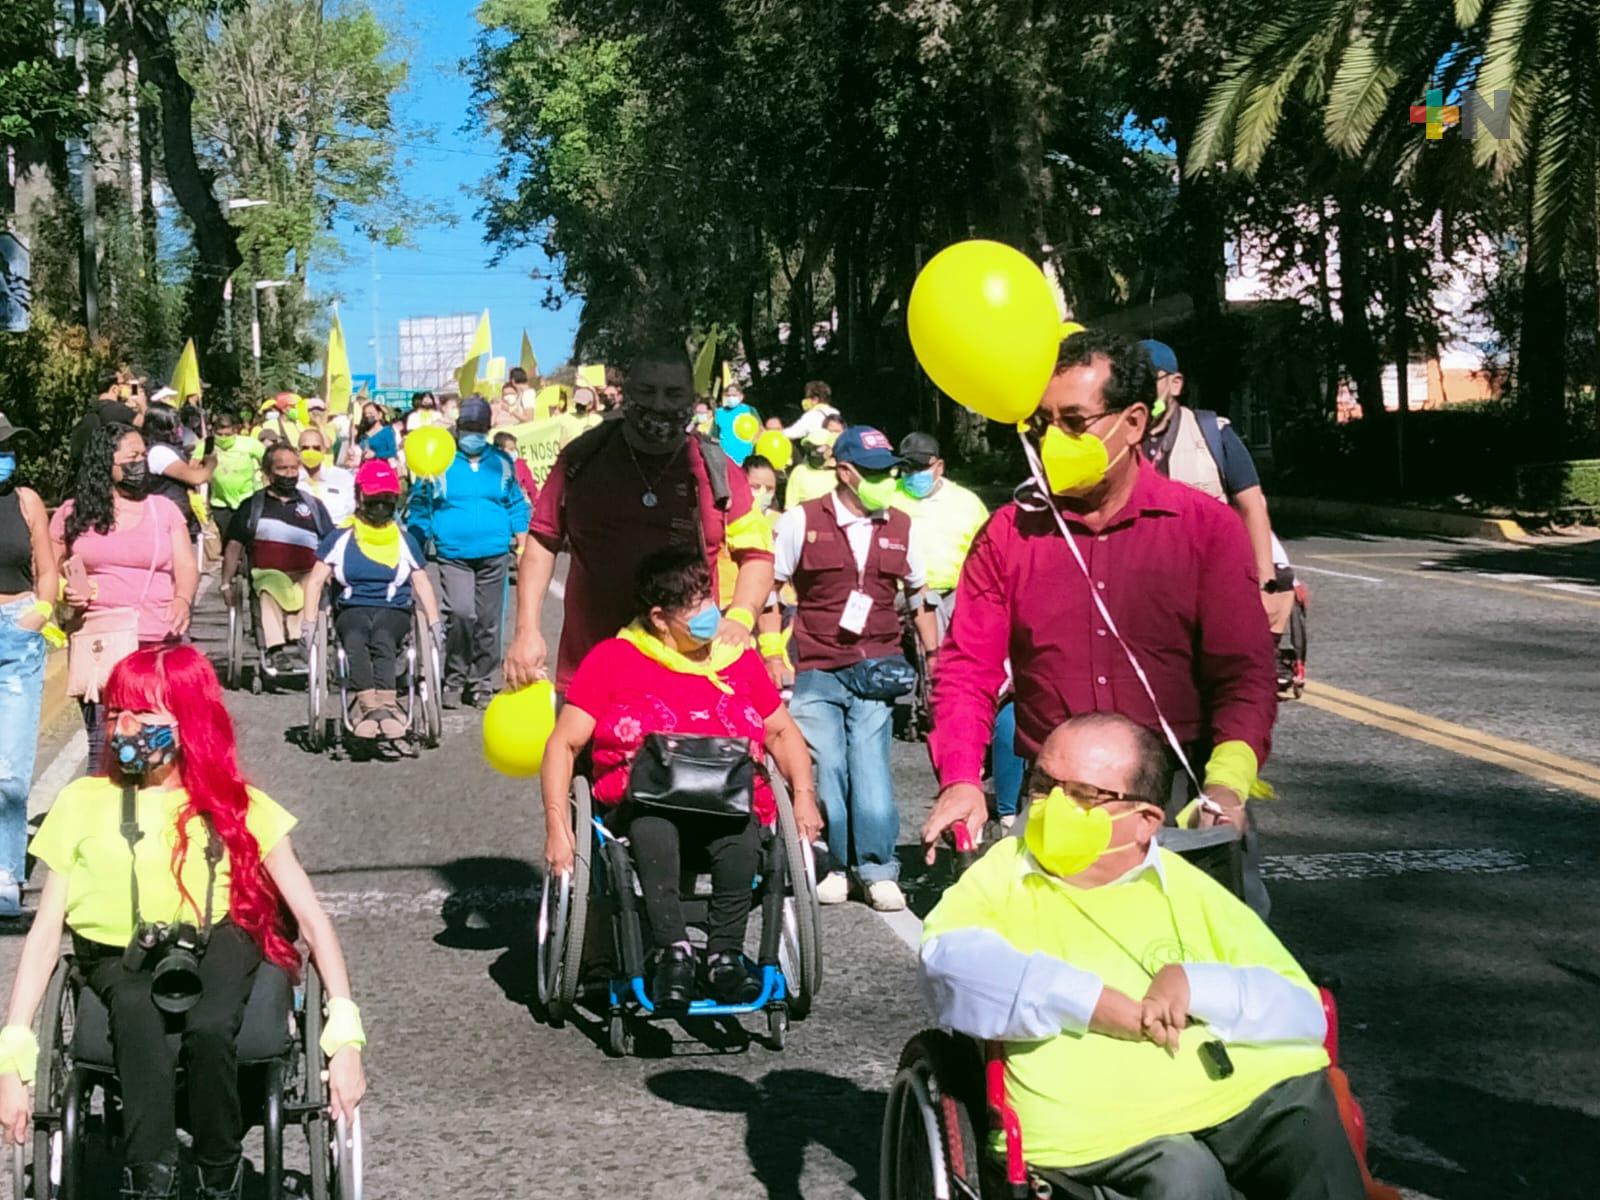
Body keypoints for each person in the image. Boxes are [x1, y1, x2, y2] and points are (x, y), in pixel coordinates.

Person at [920, 713, 1363, 1200]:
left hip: (1233, 1091)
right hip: (1103, 1121)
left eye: (1085, 795)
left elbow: (1299, 1007)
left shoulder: (1189, 887)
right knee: (1186, 1178)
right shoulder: (1005, 873)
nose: (1053, 806)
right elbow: (949, 960)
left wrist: (1198, 986)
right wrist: (1092, 1002)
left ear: (1145, 822)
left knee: (1311, 1123)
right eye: (1045, 785)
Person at [920, 333, 1278, 904]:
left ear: (1133, 422)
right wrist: (962, 778)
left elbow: (1244, 673)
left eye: (1074, 422)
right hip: (1051, 808)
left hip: (1180, 800)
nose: (1053, 440)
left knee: (1217, 981)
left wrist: (1227, 788)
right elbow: (967, 670)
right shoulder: (1008, 534)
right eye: (1042, 424)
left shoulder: (1206, 529)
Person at [0, 646, 367, 1200]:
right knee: (134, 1007)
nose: (125, 728)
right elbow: (46, 934)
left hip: (220, 938)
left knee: (212, 1021)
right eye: (118, 712)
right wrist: (15, 1057)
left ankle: (220, 1171)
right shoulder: (81, 802)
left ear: (186, 721)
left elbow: (312, 920)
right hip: (116, 953)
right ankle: (150, 1177)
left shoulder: (239, 804)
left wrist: (345, 1039)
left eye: (143, 715)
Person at [541, 549, 822, 1009]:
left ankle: (724, 956)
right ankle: (674, 952)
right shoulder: (615, 658)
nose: (709, 613)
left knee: (743, 840)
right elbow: (563, 745)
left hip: (728, 805)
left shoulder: (738, 658)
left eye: (707, 597)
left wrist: (805, 797)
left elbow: (782, 733)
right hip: (648, 809)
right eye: (693, 607)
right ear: (658, 617)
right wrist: (558, 825)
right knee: (654, 832)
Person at [504, 339, 775, 694]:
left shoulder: (715, 469)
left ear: (691, 400)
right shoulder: (582, 458)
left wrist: (741, 617)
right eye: (647, 391)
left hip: (690, 678)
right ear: (626, 394)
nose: (659, 404)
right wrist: (526, 630)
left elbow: (757, 554)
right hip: (592, 679)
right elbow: (542, 540)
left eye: (673, 393)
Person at [764, 427, 938, 912]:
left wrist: (935, 661)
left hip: (878, 667)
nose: (886, 480)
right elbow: (772, 592)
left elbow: (920, 599)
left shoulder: (902, 525)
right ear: (845, 472)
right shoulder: (801, 521)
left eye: (890, 472)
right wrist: (773, 656)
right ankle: (835, 865)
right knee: (828, 768)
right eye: (876, 473)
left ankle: (879, 868)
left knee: (870, 766)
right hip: (817, 665)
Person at [52, 425, 198, 769]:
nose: (140, 465)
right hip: (101, 644)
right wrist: (67, 592)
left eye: (143, 457)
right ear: (106, 463)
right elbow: (49, 569)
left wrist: (182, 599)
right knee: (105, 743)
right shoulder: (73, 514)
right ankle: (103, 812)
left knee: (161, 742)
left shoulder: (164, 510)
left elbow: (186, 565)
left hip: (157, 640)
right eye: (131, 458)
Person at [1138, 340, 1290, 628]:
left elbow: (1253, 506)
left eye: (1149, 380)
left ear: (1175, 384)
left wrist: (1265, 584)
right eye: (1131, 381)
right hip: (1145, 592)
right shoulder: (1114, 439)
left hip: (1211, 585)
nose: (1141, 390)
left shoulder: (1213, 433)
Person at [302, 461, 441, 743]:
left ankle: (387, 706)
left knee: (383, 637)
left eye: (387, 500)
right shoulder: (341, 537)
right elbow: (316, 580)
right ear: (360, 497)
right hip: (352, 607)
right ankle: (368, 707)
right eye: (374, 499)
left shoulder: (403, 540)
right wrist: (308, 623)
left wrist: (435, 622)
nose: (380, 506)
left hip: (394, 608)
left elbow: (421, 580)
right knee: (354, 637)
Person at [405, 397, 529, 708]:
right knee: (461, 614)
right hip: (454, 553)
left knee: (488, 620)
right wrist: (416, 544)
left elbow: (515, 503)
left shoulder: (501, 461)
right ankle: (455, 675)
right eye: (467, 427)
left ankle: (481, 681)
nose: (472, 433)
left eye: (479, 428)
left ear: (487, 429)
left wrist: (523, 542)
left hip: (494, 552)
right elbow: (421, 506)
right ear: (458, 428)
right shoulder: (439, 461)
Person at [0, 416, 59, 917]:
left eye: (9, 449)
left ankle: (5, 877)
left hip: (18, 632)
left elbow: (47, 569)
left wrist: (39, 613)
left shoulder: (26, 501)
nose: (6, 457)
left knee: (12, 774)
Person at [221, 445, 334, 674]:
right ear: (268, 472)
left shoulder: (312, 505)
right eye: (282, 468)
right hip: (268, 573)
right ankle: (275, 649)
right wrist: (226, 582)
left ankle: (305, 639)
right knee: (268, 591)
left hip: (306, 573)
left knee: (313, 590)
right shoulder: (252, 506)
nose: (289, 474)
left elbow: (331, 543)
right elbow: (234, 546)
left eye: (294, 468)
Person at [891, 431, 990, 636]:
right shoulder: (887, 497)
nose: (913, 474)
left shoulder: (967, 502)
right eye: (907, 469)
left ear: (939, 467)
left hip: (956, 594)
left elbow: (988, 552)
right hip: (903, 593)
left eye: (921, 468)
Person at [140, 402, 214, 538]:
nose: (179, 429)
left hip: (175, 517)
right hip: (167, 520)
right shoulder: (159, 452)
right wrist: (211, 463)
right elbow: (196, 478)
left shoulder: (164, 449)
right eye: (175, 424)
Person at [207, 411, 265, 557]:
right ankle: (231, 573)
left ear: (235, 430)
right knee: (229, 541)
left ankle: (246, 569)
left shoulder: (250, 444)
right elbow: (194, 465)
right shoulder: (208, 444)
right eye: (219, 434)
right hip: (221, 503)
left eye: (227, 434)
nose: (223, 438)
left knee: (247, 540)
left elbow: (268, 461)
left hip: (247, 499)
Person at [68, 373, 136, 482]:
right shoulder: (119, 410)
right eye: (123, 384)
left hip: (92, 477)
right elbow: (148, 422)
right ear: (114, 389)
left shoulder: (92, 410)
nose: (126, 387)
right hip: (118, 476)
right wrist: (135, 386)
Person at [296, 426, 356, 525]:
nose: (311, 452)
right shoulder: (292, 480)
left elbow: (350, 509)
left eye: (316, 448)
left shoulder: (342, 477)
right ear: (298, 451)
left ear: (323, 450)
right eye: (305, 448)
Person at [784, 430, 839, 509]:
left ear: (830, 449)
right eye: (808, 447)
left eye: (817, 447)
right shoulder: (799, 472)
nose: (812, 452)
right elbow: (789, 508)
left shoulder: (840, 473)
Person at [713, 387, 760, 465]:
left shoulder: (750, 410)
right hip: (725, 461)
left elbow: (760, 431)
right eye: (728, 395)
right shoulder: (719, 413)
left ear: (741, 396)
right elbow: (714, 436)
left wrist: (753, 449)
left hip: (746, 460)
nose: (731, 398)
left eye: (734, 395)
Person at [495, 431, 540, 508]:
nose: (514, 452)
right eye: (511, 449)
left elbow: (531, 488)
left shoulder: (520, 465)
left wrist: (537, 506)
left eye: (515, 449)